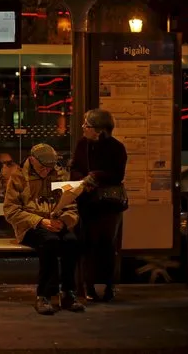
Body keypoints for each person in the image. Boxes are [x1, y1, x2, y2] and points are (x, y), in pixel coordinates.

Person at [4, 143, 85, 315]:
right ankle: (44, 294)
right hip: (30, 225)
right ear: (32, 160)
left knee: (71, 242)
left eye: (49, 168)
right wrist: (40, 221)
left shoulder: (60, 175)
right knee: (50, 242)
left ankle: (69, 292)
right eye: (42, 167)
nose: (46, 172)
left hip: (56, 222)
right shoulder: (19, 177)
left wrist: (64, 221)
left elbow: (71, 207)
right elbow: (11, 211)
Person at [71, 108, 128, 303]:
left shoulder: (117, 148)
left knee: (107, 245)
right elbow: (75, 168)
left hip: (109, 205)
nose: (83, 128)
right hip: (88, 203)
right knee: (88, 245)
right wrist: (82, 180)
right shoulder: (82, 145)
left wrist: (95, 176)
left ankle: (109, 285)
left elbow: (117, 174)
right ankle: (89, 286)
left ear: (99, 130)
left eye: (87, 125)